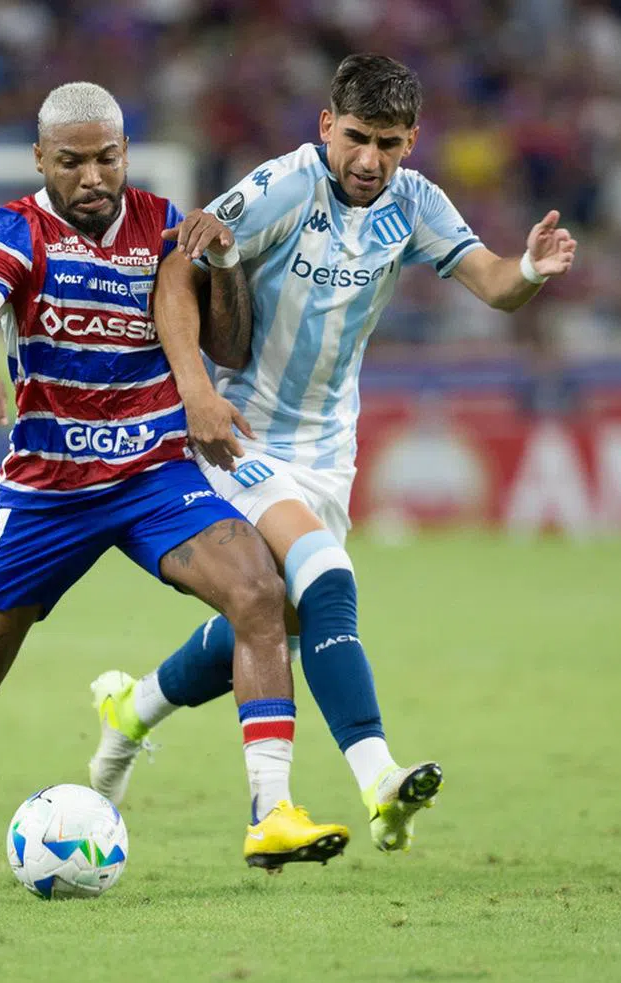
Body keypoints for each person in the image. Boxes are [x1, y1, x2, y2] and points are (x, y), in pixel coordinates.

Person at [0, 83, 348, 886]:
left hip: (152, 473)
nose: (91, 177)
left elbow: (232, 346)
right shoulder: (16, 229)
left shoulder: (163, 225)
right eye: (71, 161)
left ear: (124, 154)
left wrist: (222, 263)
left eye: (105, 158)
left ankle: (272, 812)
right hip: (48, 490)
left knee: (259, 592)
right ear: (41, 159)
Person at [88, 54, 578, 853]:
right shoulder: (283, 186)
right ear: (326, 126)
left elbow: (491, 281)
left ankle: (131, 712)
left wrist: (528, 268)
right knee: (324, 574)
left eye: (387, 143)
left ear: (411, 140)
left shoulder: (416, 203)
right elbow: (175, 267)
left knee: (276, 616)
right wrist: (193, 391)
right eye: (355, 137)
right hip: (237, 433)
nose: (368, 159)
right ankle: (375, 775)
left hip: (325, 449)